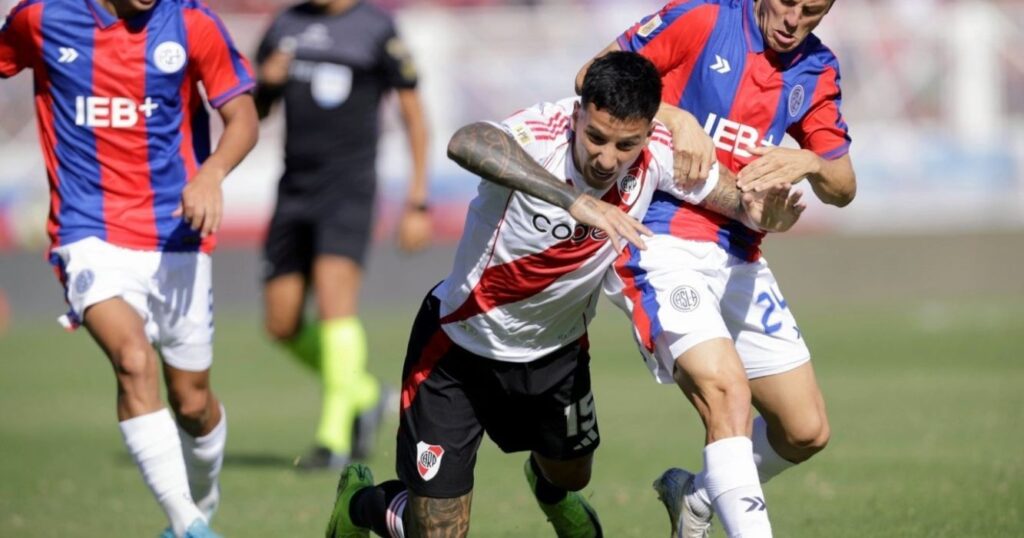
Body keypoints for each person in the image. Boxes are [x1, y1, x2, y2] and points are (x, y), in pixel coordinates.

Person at [324, 51, 803, 538]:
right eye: (595, 137)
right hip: (460, 348)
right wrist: (574, 199)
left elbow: (736, 199)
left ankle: (547, 488)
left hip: (556, 355)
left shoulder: (657, 150)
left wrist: (762, 211)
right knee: (438, 532)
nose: (606, 157)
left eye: (625, 145)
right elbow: (466, 141)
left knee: (573, 475)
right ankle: (360, 504)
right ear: (577, 114)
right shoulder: (542, 132)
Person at [578, 1, 856, 536]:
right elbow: (591, 76)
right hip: (658, 237)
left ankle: (697, 495)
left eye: (812, 10)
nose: (793, 18)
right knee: (727, 392)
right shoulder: (703, 19)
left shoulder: (816, 69)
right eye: (787, 2)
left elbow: (843, 187)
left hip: (740, 250)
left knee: (805, 430)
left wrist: (812, 162)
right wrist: (672, 116)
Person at [0, 0, 258, 536]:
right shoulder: (42, 18)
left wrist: (211, 174)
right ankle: (187, 524)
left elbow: (243, 115)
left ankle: (203, 498)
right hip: (88, 233)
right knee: (132, 359)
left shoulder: (191, 23)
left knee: (191, 403)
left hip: (177, 237)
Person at [252, 0, 432, 470]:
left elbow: (414, 115)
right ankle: (366, 393)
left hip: (349, 190)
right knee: (281, 324)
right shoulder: (284, 24)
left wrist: (417, 199)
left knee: (335, 305)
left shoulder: (375, 28)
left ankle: (332, 440)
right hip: (294, 190)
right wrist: (264, 85)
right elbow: (255, 111)